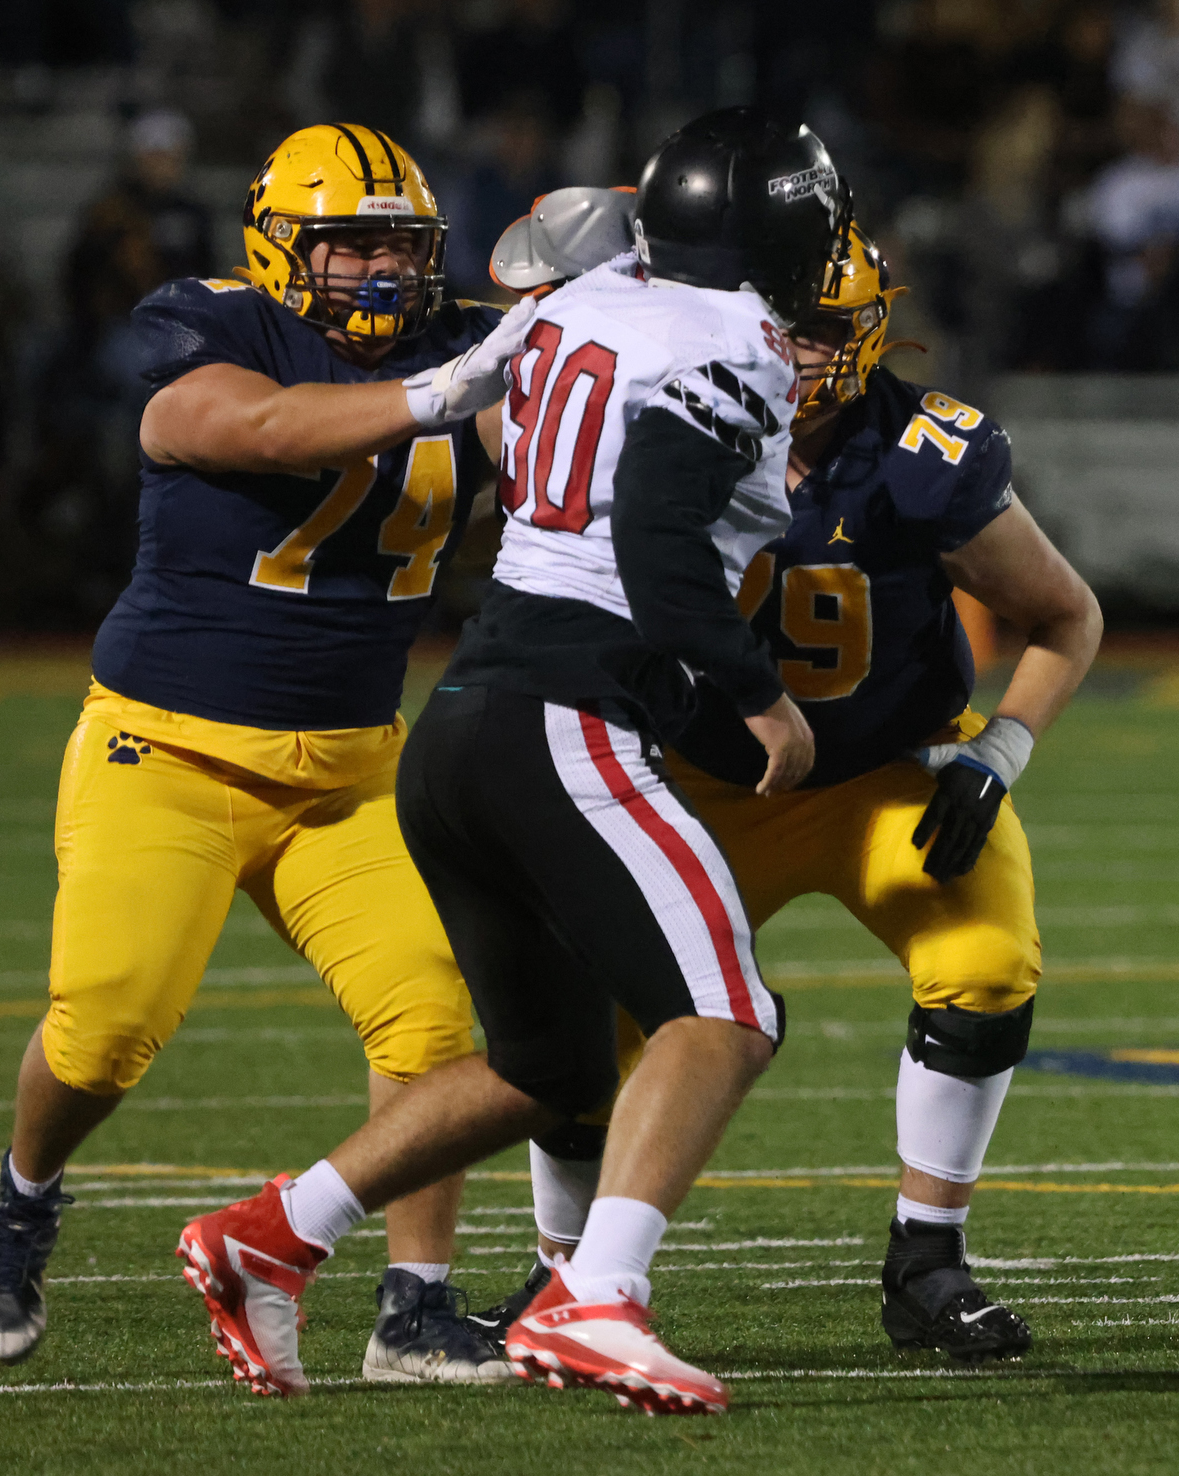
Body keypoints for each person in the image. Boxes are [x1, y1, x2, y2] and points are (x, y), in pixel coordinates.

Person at [176, 107, 846, 1415]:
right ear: (788, 228)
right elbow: (657, 534)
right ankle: (599, 1298)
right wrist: (760, 701)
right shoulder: (737, 339)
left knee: (548, 1070)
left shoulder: (584, 299)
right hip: (565, 719)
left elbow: (475, 390)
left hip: (467, 718)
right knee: (725, 1016)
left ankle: (269, 1233)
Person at [472, 215, 1102, 1363]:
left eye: (820, 330)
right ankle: (562, 1277)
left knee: (984, 963)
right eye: (782, 326)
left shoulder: (927, 456)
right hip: (703, 778)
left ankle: (927, 1260)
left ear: (870, 333)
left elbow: (1066, 617)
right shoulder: (660, 424)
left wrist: (998, 752)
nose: (797, 352)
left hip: (881, 774)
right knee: (579, 1028)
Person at [0, 123, 535, 1380]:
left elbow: (534, 467)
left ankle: (413, 1308)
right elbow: (251, 430)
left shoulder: (464, 345)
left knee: (433, 1025)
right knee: (106, 1027)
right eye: (348, 246)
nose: (379, 273)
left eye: (400, 246)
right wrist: (449, 392)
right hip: (169, 753)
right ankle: (20, 1203)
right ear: (281, 245)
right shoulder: (208, 322)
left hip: (350, 774)